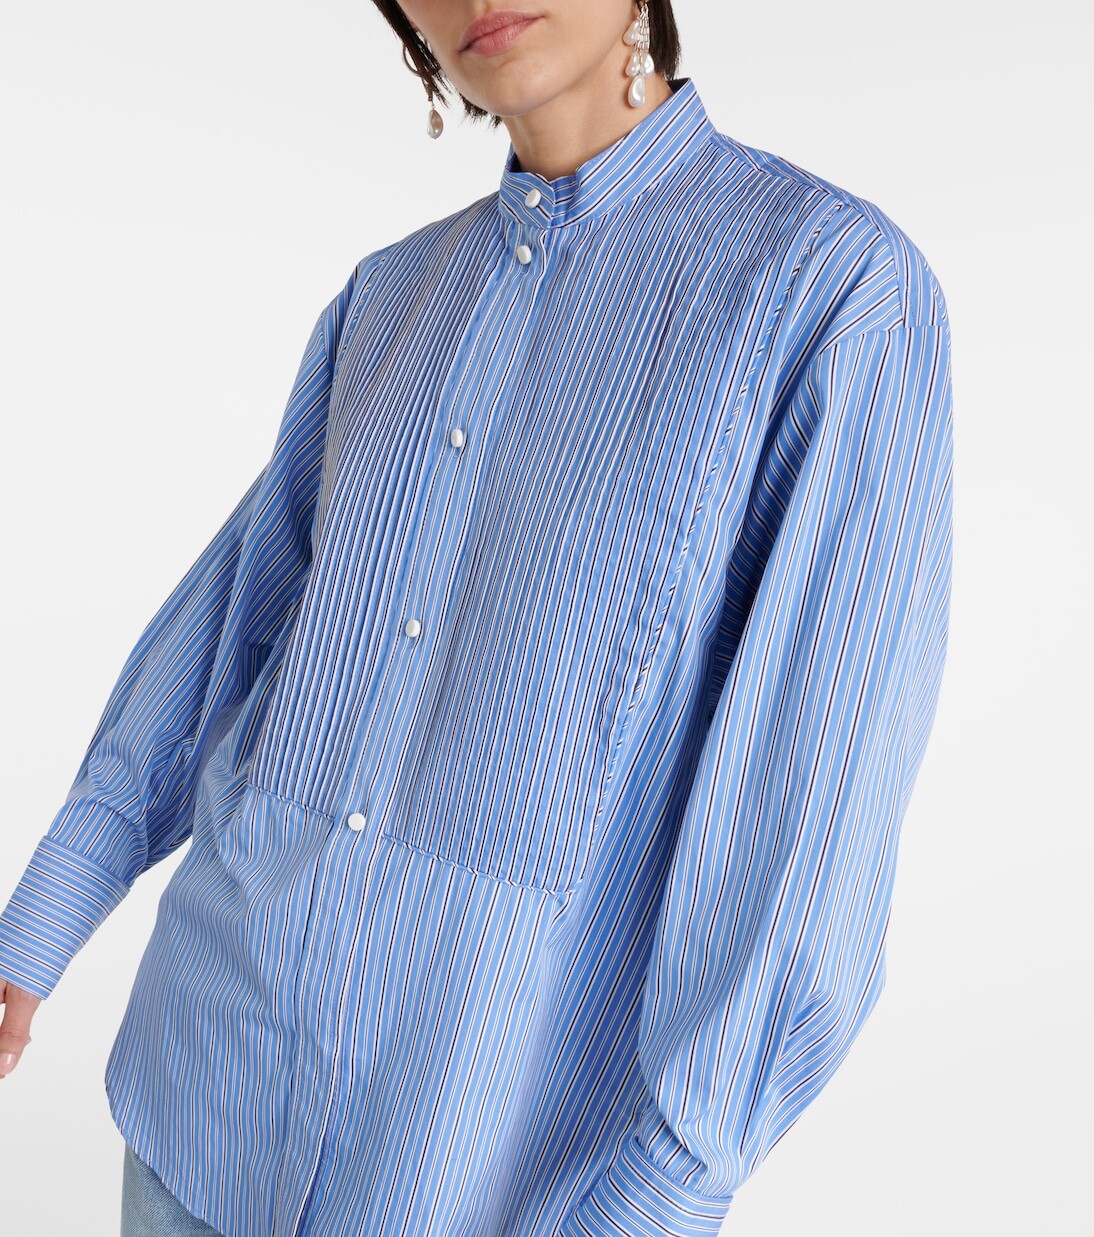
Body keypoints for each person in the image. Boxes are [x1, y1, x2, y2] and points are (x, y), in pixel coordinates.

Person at [0, 2, 954, 1234]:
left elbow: (814, 798)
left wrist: (668, 1185)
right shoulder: (388, 296)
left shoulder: (831, 293)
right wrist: (48, 911)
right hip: (205, 1098)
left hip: (486, 1170)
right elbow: (234, 624)